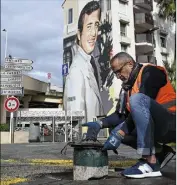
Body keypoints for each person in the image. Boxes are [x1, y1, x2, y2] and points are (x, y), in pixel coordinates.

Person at [82, 52, 176, 179]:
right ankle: (160, 153)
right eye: (115, 73)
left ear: (130, 64)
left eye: (118, 71)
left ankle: (150, 163)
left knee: (136, 102)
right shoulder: (127, 89)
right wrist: (100, 123)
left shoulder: (150, 72)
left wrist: (120, 133)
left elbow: (143, 101)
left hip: (171, 123)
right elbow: (121, 116)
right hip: (157, 127)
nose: (118, 76)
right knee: (116, 129)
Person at [63, 1, 104, 123]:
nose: (93, 33)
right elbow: (75, 119)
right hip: (85, 140)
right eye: (89, 26)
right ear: (79, 34)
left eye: (96, 25)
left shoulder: (90, 64)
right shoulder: (76, 71)